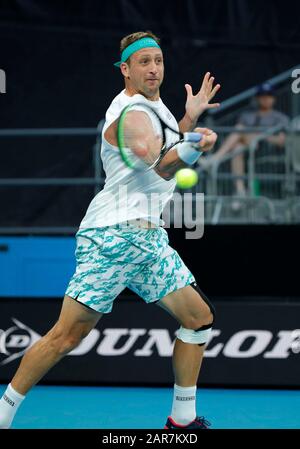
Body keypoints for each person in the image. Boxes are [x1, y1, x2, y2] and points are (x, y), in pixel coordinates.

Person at [0, 31, 220, 430]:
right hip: (113, 236)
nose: (153, 68)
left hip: (149, 238)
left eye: (158, 60)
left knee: (198, 318)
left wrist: (190, 120)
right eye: (143, 62)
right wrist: (194, 145)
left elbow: (166, 148)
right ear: (125, 70)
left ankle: (182, 421)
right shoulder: (129, 113)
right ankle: (2, 414)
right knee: (65, 337)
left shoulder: (158, 109)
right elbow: (162, 165)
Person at [200, 83, 289, 199]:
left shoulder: (280, 118)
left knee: (240, 129)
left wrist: (261, 136)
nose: (266, 99)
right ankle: (240, 190)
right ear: (257, 98)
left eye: (269, 95)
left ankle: (215, 158)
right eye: (262, 96)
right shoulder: (247, 116)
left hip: (267, 149)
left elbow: (282, 141)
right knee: (237, 147)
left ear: (274, 98)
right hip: (248, 149)